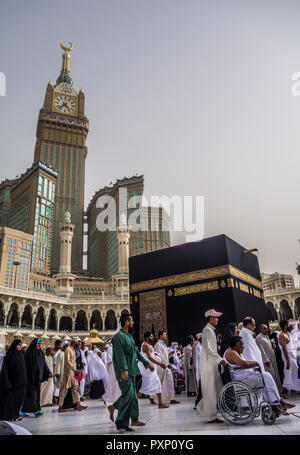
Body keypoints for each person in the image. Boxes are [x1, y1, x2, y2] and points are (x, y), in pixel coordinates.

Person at [224, 335, 294, 415]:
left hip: (246, 377)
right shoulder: (232, 353)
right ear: (237, 344)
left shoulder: (234, 352)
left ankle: (276, 404)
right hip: (242, 381)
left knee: (266, 379)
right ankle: (277, 403)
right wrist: (255, 363)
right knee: (266, 376)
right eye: (242, 344)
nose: (244, 346)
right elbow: (244, 364)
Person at [110, 314, 155, 432]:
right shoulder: (118, 337)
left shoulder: (129, 337)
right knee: (129, 395)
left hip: (132, 370)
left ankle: (133, 419)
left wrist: (147, 363)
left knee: (132, 397)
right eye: (132, 320)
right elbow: (119, 355)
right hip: (123, 371)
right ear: (126, 322)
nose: (133, 323)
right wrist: (124, 369)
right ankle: (120, 421)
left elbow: (136, 353)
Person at [196, 309, 226, 423]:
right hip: (208, 365)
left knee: (215, 389)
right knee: (210, 390)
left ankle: (207, 410)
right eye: (216, 317)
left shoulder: (210, 330)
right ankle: (211, 417)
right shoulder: (207, 330)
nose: (217, 319)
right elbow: (208, 349)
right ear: (210, 318)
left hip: (211, 364)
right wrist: (219, 359)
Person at [21, 338, 52, 418]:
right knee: (32, 395)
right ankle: (36, 411)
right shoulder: (29, 353)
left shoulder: (40, 353)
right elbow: (26, 365)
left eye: (40, 344)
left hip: (38, 377)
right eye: (38, 343)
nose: (39, 345)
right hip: (30, 377)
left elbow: (43, 364)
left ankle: (23, 411)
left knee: (35, 394)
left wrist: (48, 372)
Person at [138, 331, 169, 408]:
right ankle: (131, 403)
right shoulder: (145, 345)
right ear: (146, 337)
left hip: (152, 368)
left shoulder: (148, 345)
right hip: (148, 369)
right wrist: (160, 364)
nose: (152, 338)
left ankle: (160, 403)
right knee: (143, 389)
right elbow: (150, 358)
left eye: (152, 336)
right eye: (151, 336)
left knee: (158, 385)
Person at [0, 339, 27, 421]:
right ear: (15, 345)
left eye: (20, 345)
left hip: (21, 382)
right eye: (18, 345)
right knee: (11, 401)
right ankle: (9, 416)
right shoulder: (9, 355)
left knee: (19, 400)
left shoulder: (21, 354)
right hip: (13, 383)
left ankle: (16, 414)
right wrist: (7, 382)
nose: (20, 346)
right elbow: (5, 370)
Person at [58, 340, 88, 413]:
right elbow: (67, 361)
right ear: (74, 342)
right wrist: (74, 369)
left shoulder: (73, 350)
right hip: (68, 373)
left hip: (73, 373)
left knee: (75, 387)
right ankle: (60, 406)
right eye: (77, 342)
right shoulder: (68, 349)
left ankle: (78, 404)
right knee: (64, 389)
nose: (78, 344)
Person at [154, 330, 180, 405]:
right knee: (159, 383)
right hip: (161, 366)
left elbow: (165, 356)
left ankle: (172, 399)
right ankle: (152, 398)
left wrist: (169, 355)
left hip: (166, 366)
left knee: (170, 382)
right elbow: (159, 356)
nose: (165, 336)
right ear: (160, 336)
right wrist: (165, 363)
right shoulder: (157, 345)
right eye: (164, 335)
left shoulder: (164, 345)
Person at [255, 324, 283, 394]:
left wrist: (273, 347)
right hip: (267, 362)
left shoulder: (267, 336)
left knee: (276, 376)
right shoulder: (259, 338)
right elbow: (261, 350)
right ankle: (274, 394)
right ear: (260, 330)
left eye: (267, 328)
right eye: (264, 329)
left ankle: (279, 393)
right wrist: (266, 360)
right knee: (272, 376)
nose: (267, 330)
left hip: (272, 359)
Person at [278, 320, 300, 392]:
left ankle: (296, 388)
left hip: (292, 355)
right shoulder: (282, 336)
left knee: (295, 372)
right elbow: (284, 349)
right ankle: (281, 392)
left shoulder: (288, 333)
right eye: (288, 324)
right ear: (285, 326)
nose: (289, 326)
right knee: (288, 373)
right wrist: (287, 361)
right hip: (287, 356)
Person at [103, 343, 121, 421]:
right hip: (116, 371)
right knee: (118, 391)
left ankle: (113, 408)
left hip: (120, 370)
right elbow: (110, 360)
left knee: (119, 393)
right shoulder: (111, 349)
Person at [52, 340, 62, 405]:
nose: (60, 346)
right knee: (54, 383)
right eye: (59, 345)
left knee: (59, 383)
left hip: (60, 368)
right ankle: (54, 397)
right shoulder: (52, 351)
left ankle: (58, 397)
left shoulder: (60, 351)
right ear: (55, 345)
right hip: (53, 368)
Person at [194, 333, 202, 408]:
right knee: (201, 387)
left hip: (204, 369)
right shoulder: (198, 346)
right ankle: (198, 403)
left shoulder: (203, 346)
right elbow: (200, 356)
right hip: (200, 368)